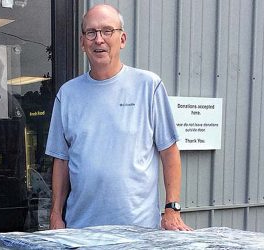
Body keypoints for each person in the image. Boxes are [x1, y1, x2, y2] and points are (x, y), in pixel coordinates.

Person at [45, 4, 192, 231]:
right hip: (81, 231)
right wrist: (55, 215)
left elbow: (169, 151)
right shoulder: (67, 94)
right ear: (82, 42)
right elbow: (61, 160)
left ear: (122, 39)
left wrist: (172, 208)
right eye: (91, 32)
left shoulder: (148, 86)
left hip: (139, 232)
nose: (99, 39)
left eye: (107, 31)